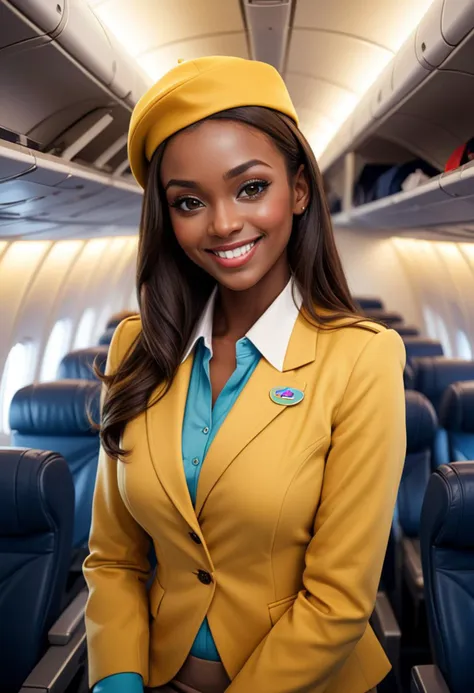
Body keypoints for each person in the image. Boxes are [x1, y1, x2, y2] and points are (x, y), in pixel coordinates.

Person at [84, 56, 406, 693]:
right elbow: (113, 557)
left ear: (300, 190)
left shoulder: (362, 359)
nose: (223, 223)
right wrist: (116, 680)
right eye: (190, 201)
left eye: (251, 188)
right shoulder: (136, 348)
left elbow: (338, 600)